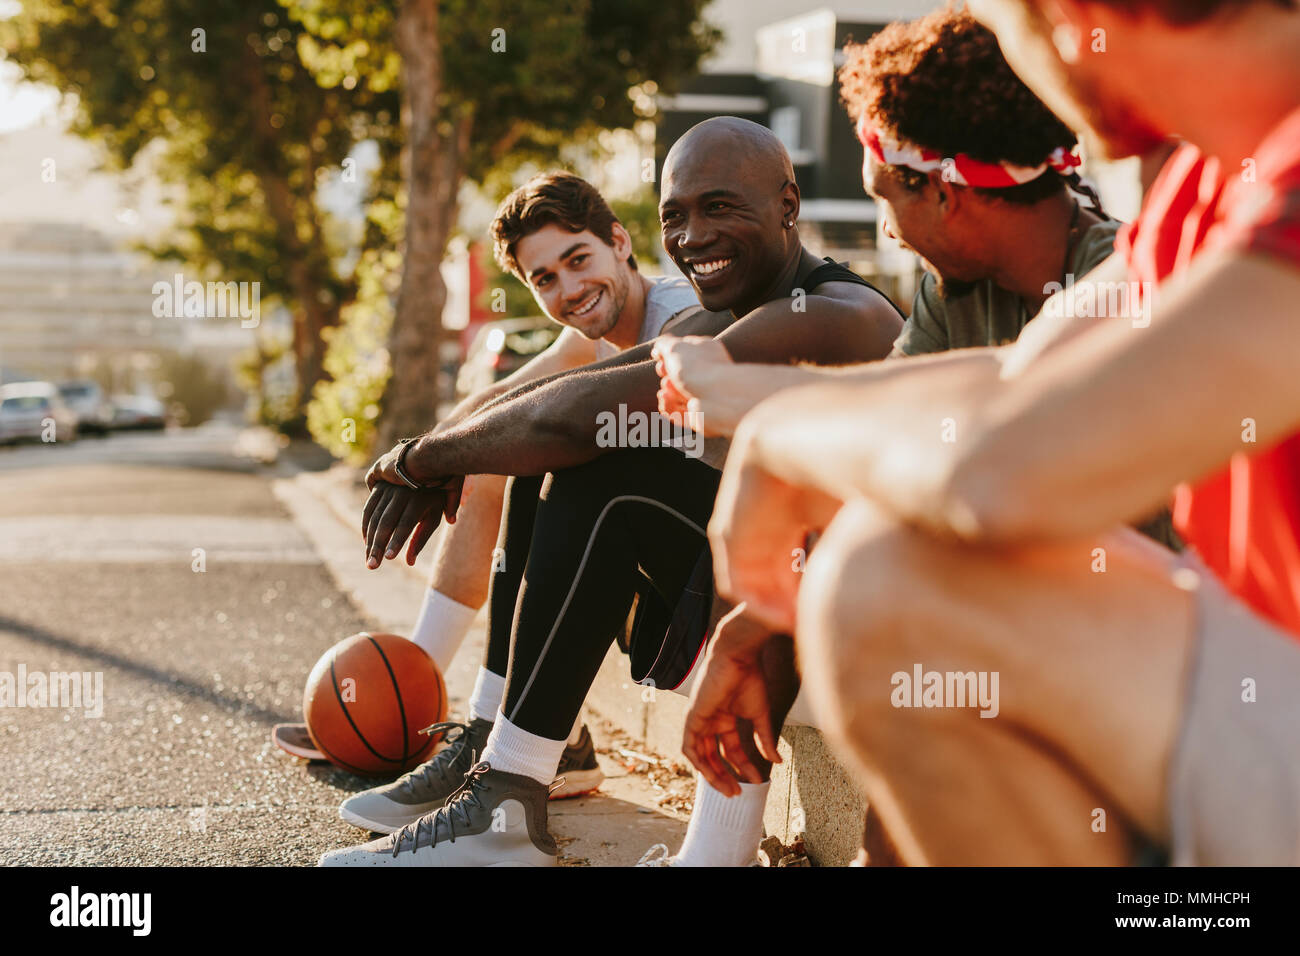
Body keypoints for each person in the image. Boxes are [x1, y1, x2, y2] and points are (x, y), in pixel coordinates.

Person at [707, 0, 1300, 864]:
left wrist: (774, 431)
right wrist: (755, 597)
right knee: (889, 572)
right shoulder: (1210, 182)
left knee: (894, 587)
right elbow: (1014, 385)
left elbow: (1004, 465)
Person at [318, 116, 905, 866]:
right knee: (554, 459)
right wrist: (429, 458)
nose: (694, 236)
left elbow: (581, 413)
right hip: (763, 590)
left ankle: (542, 802)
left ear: (788, 205)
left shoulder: (835, 315)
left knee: (612, 470)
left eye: (719, 207)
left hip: (852, 605)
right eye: (677, 216)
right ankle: (507, 776)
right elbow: (568, 393)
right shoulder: (723, 311)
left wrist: (422, 460)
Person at [337, 171, 706, 832]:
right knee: (500, 455)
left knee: (556, 457)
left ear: (620, 242)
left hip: (716, 595)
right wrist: (427, 455)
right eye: (545, 280)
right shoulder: (594, 328)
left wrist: (444, 457)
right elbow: (503, 403)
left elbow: (556, 421)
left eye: (577, 260)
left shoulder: (678, 314)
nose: (569, 289)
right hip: (661, 581)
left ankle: (504, 734)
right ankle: (490, 721)